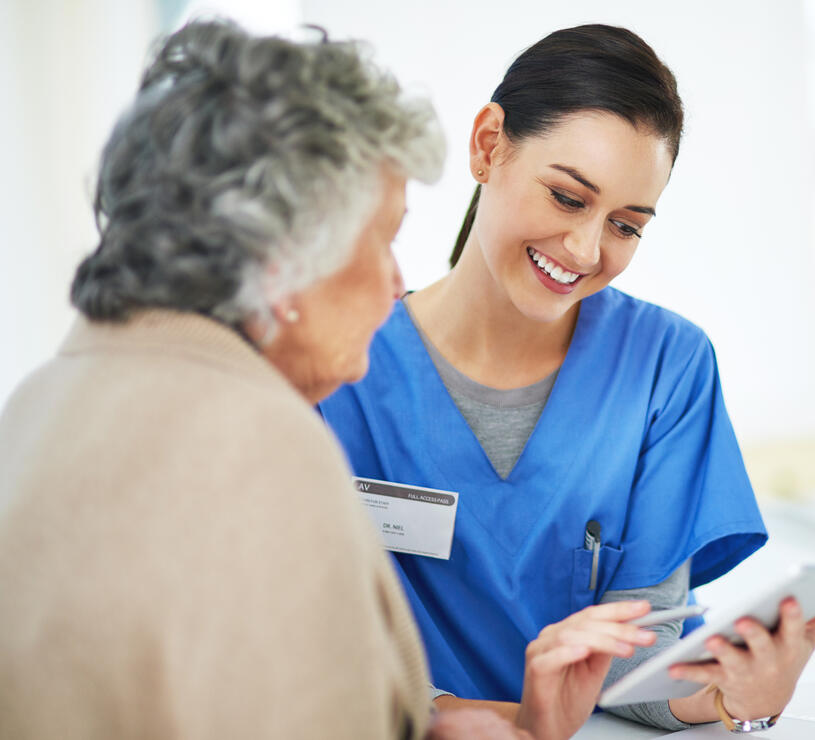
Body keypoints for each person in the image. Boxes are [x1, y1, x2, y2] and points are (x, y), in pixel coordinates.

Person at [0, 20, 656, 740]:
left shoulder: (39, 402)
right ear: (282, 257)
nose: (398, 281)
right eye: (384, 238)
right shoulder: (264, 441)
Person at [319, 23, 815, 732]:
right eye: (570, 198)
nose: (584, 250)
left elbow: (641, 663)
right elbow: (294, 643)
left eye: (627, 226)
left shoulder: (666, 368)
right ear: (489, 145)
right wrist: (455, 720)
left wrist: (732, 698)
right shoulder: (336, 365)